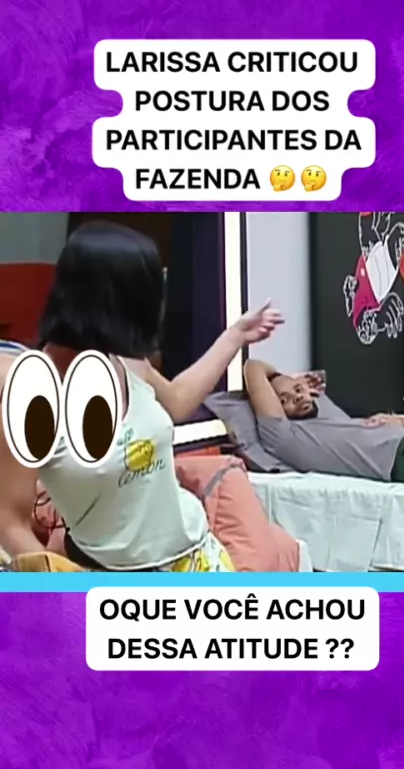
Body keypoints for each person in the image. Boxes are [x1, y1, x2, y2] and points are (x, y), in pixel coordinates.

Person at [0, 222, 284, 570]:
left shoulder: (124, 361)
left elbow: (177, 400)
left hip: (199, 559)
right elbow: (10, 524)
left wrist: (235, 335)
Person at [243, 360, 404, 487]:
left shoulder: (325, 413)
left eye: (298, 390)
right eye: (283, 400)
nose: (296, 398)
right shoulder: (285, 437)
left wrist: (402, 420)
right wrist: (281, 378)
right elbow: (252, 367)